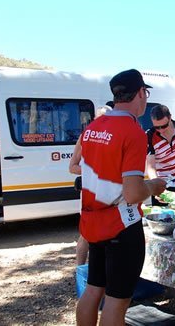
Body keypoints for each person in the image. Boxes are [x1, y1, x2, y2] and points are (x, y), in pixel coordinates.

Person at [75, 69, 166, 326]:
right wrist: (154, 186)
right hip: (121, 226)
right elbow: (133, 192)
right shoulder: (133, 130)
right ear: (140, 93)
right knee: (117, 302)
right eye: (145, 93)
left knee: (93, 290)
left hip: (94, 223)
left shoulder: (92, 128)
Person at [69, 105, 112, 266]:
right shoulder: (85, 137)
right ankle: (80, 270)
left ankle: (103, 272)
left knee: (109, 233)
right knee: (87, 234)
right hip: (90, 193)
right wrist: (90, 171)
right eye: (99, 119)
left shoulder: (115, 138)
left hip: (110, 193)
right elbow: (72, 167)